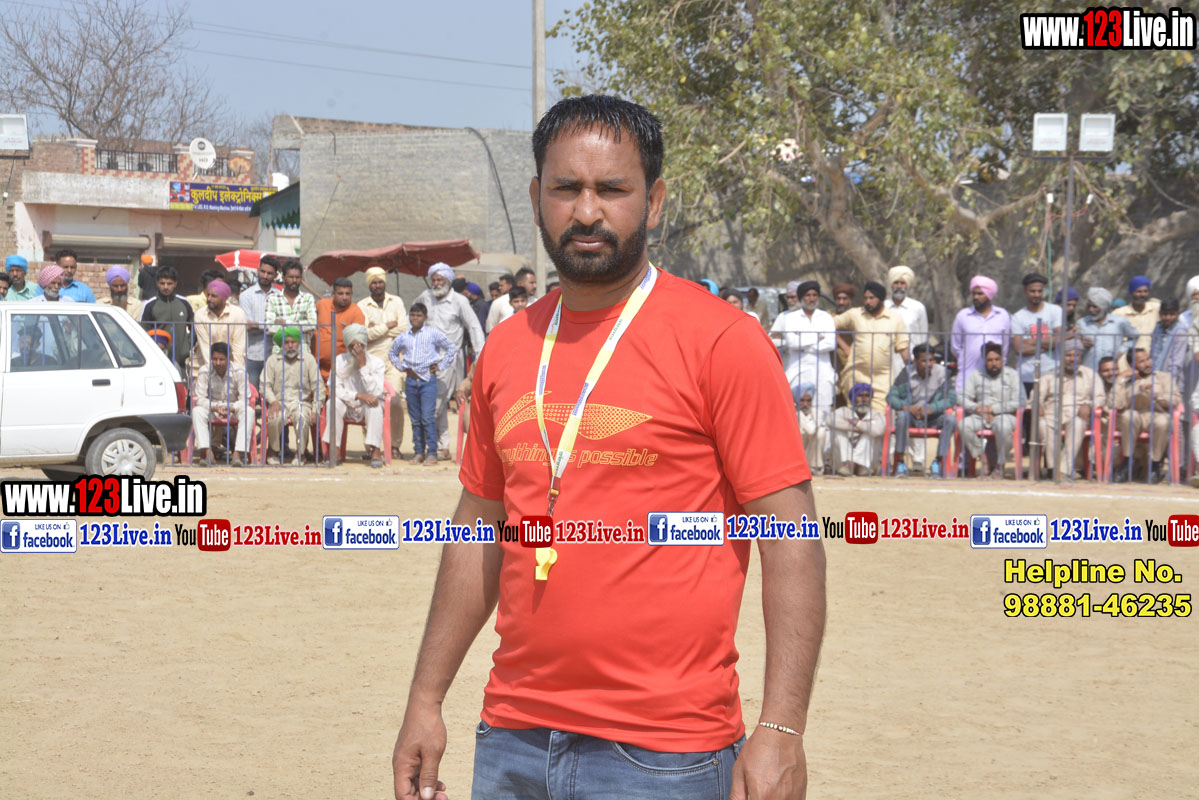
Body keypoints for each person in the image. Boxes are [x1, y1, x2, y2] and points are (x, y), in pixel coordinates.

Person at [392, 95, 824, 800]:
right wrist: (425, 698)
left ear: (654, 201)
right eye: (566, 188)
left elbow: (792, 539)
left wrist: (780, 730)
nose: (587, 212)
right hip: (512, 740)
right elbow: (477, 533)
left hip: (664, 755)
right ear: (537, 197)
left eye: (612, 189)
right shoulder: (507, 346)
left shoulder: (723, 341)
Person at [414, 262, 485, 461]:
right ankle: (442, 447)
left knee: (437, 401)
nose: (436, 283)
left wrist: (480, 353)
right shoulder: (425, 297)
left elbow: (473, 326)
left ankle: (435, 446)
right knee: (434, 401)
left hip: (448, 358)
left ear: (448, 281)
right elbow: (413, 316)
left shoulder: (460, 301)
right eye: (434, 280)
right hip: (426, 357)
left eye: (440, 280)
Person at [771, 280, 835, 461]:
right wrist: (817, 340)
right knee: (795, 415)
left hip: (822, 370)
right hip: (797, 369)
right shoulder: (790, 318)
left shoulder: (826, 317)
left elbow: (830, 343)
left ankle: (821, 459)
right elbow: (792, 342)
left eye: (814, 295)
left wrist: (804, 342)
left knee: (822, 414)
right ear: (801, 297)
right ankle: (795, 458)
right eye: (808, 295)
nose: (811, 299)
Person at [388, 302, 457, 465]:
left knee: (427, 417)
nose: (415, 318)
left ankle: (432, 452)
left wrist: (440, 366)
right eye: (412, 315)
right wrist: (402, 367)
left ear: (425, 317)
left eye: (419, 315)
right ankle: (418, 452)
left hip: (427, 379)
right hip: (411, 380)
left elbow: (451, 347)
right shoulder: (403, 337)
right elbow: (392, 353)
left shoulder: (432, 334)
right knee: (415, 419)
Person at [834, 281, 908, 412]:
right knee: (856, 413)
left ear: (881, 299)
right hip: (856, 374)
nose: (867, 302)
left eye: (871, 298)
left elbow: (902, 347)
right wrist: (844, 345)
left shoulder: (894, 318)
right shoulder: (855, 314)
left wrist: (912, 368)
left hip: (882, 378)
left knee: (879, 414)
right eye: (865, 298)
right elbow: (829, 324)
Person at [885, 343, 958, 477]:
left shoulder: (942, 373)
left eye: (931, 360)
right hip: (912, 416)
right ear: (915, 361)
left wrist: (932, 408)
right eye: (924, 361)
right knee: (902, 417)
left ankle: (937, 462)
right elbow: (890, 397)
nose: (929, 364)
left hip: (933, 417)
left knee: (950, 419)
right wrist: (905, 406)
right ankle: (900, 461)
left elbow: (952, 398)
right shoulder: (906, 373)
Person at [1036, 339, 1104, 480]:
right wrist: (1039, 405)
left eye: (1076, 355)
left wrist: (1089, 405)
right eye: (1068, 355)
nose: (1072, 359)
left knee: (1078, 424)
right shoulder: (1049, 376)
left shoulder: (1090, 375)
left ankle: (1064, 470)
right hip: (1051, 414)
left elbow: (1100, 397)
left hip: (1077, 414)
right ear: (1061, 357)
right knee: (1043, 424)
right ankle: (1053, 468)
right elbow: (1036, 396)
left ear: (1080, 357)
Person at [358, 265, 408, 457]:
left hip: (394, 361)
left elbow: (404, 328)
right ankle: (372, 446)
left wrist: (376, 329)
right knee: (372, 402)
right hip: (372, 362)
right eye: (374, 283)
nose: (377, 285)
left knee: (394, 403)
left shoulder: (397, 301)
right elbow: (364, 335)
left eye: (380, 282)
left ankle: (394, 445)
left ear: (384, 283)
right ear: (369, 285)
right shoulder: (363, 305)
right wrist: (387, 326)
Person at [1112, 348, 1181, 484]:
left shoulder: (1164, 377)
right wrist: (1121, 379)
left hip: (1157, 415)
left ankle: (1155, 465)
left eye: (1148, 359)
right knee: (1128, 416)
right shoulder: (1126, 380)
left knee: (1163, 421)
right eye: (1142, 361)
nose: (1147, 363)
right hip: (1135, 417)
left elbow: (1176, 400)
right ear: (1132, 365)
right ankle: (1127, 462)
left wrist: (1157, 396)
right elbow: (1115, 404)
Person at [959, 342, 1025, 479]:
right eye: (990, 360)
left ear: (1002, 360)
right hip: (980, 415)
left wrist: (994, 409)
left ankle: (1000, 465)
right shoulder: (976, 375)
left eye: (997, 359)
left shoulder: (1012, 375)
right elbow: (961, 397)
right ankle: (983, 459)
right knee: (963, 425)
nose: (994, 363)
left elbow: (1020, 401)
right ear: (984, 361)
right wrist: (976, 408)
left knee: (1003, 427)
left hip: (1005, 415)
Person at [324, 323, 387, 468]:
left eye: (360, 346)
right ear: (347, 346)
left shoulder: (377, 363)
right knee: (332, 403)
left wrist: (362, 365)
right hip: (347, 404)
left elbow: (376, 392)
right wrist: (358, 395)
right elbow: (334, 389)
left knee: (375, 406)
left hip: (367, 405)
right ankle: (335, 449)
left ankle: (375, 450)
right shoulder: (339, 361)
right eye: (352, 347)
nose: (356, 351)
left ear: (365, 345)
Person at [262, 327, 325, 466]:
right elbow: (264, 385)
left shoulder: (308, 359)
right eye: (286, 342)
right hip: (279, 402)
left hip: (302, 402)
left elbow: (319, 387)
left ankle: (300, 453)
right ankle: (273, 450)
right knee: (274, 418)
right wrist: (273, 401)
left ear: (299, 343)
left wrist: (315, 409)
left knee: (302, 418)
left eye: (293, 342)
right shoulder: (272, 360)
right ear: (281, 345)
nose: (290, 346)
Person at [192, 342, 251, 467]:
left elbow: (245, 399)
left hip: (233, 408)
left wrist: (232, 408)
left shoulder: (240, 371)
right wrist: (215, 407)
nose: (218, 363)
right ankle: (207, 453)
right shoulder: (204, 371)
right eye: (214, 359)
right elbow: (200, 398)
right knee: (197, 411)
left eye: (221, 359)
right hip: (213, 408)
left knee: (249, 412)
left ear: (229, 358)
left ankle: (237, 454)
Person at [950, 274, 1011, 394]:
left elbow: (1005, 346)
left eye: (980, 294)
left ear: (989, 295)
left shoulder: (1002, 315)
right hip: (968, 373)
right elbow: (955, 347)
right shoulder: (963, 315)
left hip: (994, 374)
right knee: (965, 403)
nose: (975, 297)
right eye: (974, 293)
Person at [1011, 272, 1063, 397]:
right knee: (1027, 408)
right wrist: (1048, 344)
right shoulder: (1017, 317)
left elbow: (1059, 340)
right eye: (1032, 291)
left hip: (1052, 372)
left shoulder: (1055, 311)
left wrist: (1032, 341)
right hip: (1027, 375)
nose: (1037, 294)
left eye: (1040, 291)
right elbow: (1019, 348)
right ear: (1025, 292)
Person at [192, 278, 247, 380]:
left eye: (214, 296)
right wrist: (215, 373)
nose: (209, 299)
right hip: (202, 367)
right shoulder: (200, 314)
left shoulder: (238, 314)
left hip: (231, 367)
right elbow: (205, 347)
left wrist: (237, 374)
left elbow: (238, 348)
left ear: (224, 298)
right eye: (208, 295)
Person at [140, 265, 193, 371]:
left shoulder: (184, 303)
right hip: (158, 360)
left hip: (181, 361)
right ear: (157, 283)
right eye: (162, 283)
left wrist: (187, 346)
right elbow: (144, 331)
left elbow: (194, 328)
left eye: (169, 283)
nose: (165, 287)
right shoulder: (150, 305)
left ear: (175, 284)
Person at [241, 255, 281, 390]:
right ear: (258, 270)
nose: (265, 276)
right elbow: (248, 325)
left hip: (275, 353)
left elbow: (283, 325)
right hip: (252, 354)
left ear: (275, 275)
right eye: (263, 271)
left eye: (269, 273)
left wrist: (258, 325)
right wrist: (272, 324)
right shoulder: (246, 295)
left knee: (273, 392)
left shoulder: (280, 296)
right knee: (252, 393)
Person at [313, 276, 366, 380]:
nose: (344, 297)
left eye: (347, 294)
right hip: (316, 366)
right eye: (340, 293)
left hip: (342, 369)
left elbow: (358, 341)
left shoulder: (356, 312)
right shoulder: (321, 305)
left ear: (352, 294)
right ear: (333, 293)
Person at [829, 382, 885, 476]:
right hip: (843, 464)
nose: (864, 399)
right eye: (860, 396)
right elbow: (829, 420)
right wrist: (854, 427)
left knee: (870, 433)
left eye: (867, 396)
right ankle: (849, 465)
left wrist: (857, 423)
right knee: (837, 431)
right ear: (853, 398)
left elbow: (878, 430)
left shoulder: (877, 415)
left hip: (868, 465)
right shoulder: (843, 411)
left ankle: (858, 465)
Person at [1076, 287, 1137, 372]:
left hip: (1110, 371)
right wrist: (1080, 343)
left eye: (1095, 307)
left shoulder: (1119, 322)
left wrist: (1120, 351)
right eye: (1089, 306)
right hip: (1089, 370)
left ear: (1104, 307)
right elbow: (1073, 344)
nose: (1091, 310)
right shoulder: (1082, 323)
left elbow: (1135, 336)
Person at [885, 265, 928, 375]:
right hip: (887, 363)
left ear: (907, 285)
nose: (899, 286)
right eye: (896, 283)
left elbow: (923, 337)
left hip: (912, 362)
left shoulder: (918, 308)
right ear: (891, 285)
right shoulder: (883, 307)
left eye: (902, 283)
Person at [266, 258, 317, 341]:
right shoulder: (272, 299)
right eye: (291, 277)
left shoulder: (308, 298)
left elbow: (312, 324)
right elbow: (269, 328)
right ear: (283, 278)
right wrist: (301, 327)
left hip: (302, 347)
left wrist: (286, 322)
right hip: (280, 347)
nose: (294, 280)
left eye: (297, 277)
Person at [1112, 275, 1160, 354]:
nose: (1142, 295)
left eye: (1145, 291)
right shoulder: (1118, 313)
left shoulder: (1156, 309)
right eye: (1139, 291)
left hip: (1149, 358)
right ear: (1132, 292)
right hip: (1124, 359)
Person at [1149, 298, 1188, 384]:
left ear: (1178, 314)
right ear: (1160, 314)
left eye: (1172, 314)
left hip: (1171, 379)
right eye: (1165, 314)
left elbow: (1177, 361)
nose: (1168, 317)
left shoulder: (1180, 332)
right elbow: (1152, 352)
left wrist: (1170, 382)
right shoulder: (1158, 327)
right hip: (1154, 375)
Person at [795, 381, 825, 472]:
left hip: (810, 449)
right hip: (797, 449)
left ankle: (815, 465)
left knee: (821, 431)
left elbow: (812, 431)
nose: (805, 404)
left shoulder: (818, 413)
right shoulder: (792, 412)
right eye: (802, 400)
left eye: (808, 401)